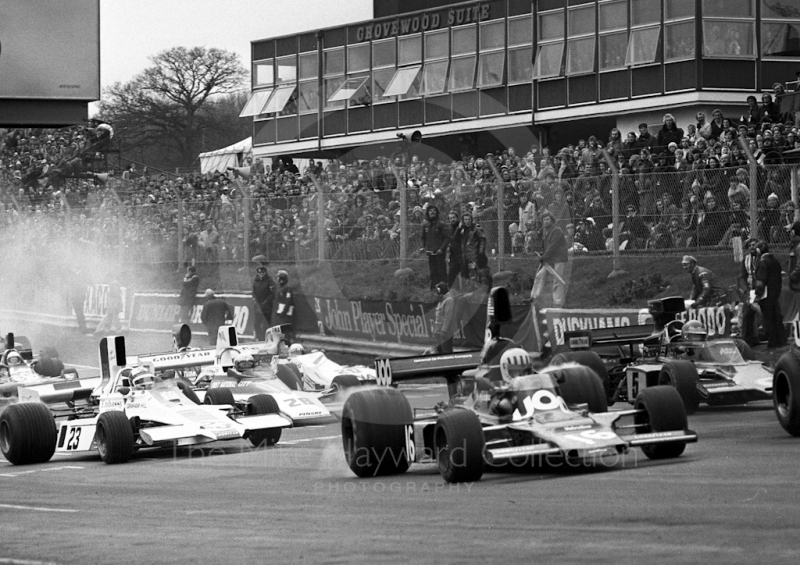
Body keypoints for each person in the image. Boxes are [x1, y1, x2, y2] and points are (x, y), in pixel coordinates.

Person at [532, 209, 568, 308]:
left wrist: (544, 256)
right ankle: (535, 297)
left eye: (548, 219)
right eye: (544, 220)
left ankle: (558, 302)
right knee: (540, 275)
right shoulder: (544, 231)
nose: (546, 221)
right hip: (549, 258)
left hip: (559, 258)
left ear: (552, 220)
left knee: (557, 280)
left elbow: (553, 246)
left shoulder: (556, 230)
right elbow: (545, 246)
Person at [754, 241, 785, 348]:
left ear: (759, 250)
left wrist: (757, 295)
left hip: (766, 296)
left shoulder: (763, 263)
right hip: (775, 294)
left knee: (768, 319)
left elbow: (760, 282)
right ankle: (781, 340)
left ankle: (772, 343)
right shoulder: (775, 261)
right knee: (776, 317)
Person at [739, 238, 762, 346]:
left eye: (754, 244)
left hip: (762, 289)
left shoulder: (762, 258)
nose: (752, 247)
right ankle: (747, 341)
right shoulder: (745, 259)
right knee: (747, 315)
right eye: (750, 245)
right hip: (750, 290)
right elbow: (742, 276)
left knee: (764, 313)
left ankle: (770, 337)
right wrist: (746, 290)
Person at [420, 205, 449, 290]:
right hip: (430, 252)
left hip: (439, 252)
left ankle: (443, 289)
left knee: (441, 271)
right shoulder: (425, 225)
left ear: (436, 212)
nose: (432, 212)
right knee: (433, 271)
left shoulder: (441, 224)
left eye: (434, 210)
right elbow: (423, 237)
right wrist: (423, 247)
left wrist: (441, 249)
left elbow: (447, 238)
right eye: (430, 211)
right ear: (428, 213)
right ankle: (434, 289)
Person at [431, 281, 457, 355]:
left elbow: (448, 317)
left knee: (446, 352)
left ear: (440, 291)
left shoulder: (449, 300)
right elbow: (438, 317)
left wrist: (444, 331)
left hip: (445, 332)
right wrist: (436, 330)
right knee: (440, 351)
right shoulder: (441, 300)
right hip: (439, 331)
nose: (436, 294)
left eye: (437, 291)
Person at [252, 265, 276, 341]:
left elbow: (273, 293)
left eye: (262, 272)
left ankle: (267, 339)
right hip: (258, 306)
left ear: (265, 272)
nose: (261, 274)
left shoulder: (269, 281)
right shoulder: (256, 281)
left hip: (267, 306)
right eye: (259, 272)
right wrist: (255, 300)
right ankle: (260, 338)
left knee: (266, 324)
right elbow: (254, 292)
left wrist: (266, 301)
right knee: (256, 324)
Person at [274, 270, 294, 341]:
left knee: (285, 331)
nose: (277, 279)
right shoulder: (280, 287)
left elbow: (288, 301)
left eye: (278, 277)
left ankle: (287, 342)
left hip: (286, 313)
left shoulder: (287, 288)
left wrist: (284, 311)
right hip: (281, 312)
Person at [68, 265, 89, 334]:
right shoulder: (77, 276)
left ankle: (83, 329)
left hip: (78, 298)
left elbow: (79, 287)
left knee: (79, 314)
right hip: (77, 297)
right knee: (79, 314)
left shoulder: (79, 277)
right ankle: (82, 328)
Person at [446, 210, 463, 290]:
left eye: (453, 218)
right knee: (452, 274)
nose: (452, 219)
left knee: (464, 274)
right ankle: (454, 292)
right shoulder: (450, 228)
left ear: (457, 218)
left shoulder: (462, 227)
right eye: (450, 218)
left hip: (462, 253)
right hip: (453, 254)